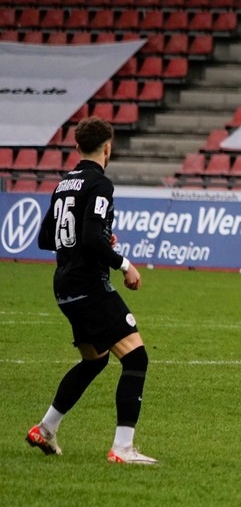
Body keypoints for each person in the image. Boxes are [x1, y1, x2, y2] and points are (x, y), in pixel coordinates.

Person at [25, 116, 157, 465]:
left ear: (77, 147)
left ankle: (46, 428)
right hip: (89, 285)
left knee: (94, 360)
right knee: (136, 357)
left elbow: (44, 239)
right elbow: (87, 236)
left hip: (64, 285)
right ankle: (123, 448)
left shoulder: (64, 184)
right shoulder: (100, 184)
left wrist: (97, 238)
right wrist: (124, 263)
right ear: (108, 147)